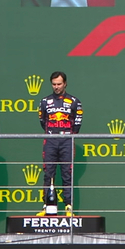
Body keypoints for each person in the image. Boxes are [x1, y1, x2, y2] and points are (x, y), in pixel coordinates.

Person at [37, 71, 82, 216]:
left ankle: (68, 206)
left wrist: (69, 135)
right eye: (54, 84)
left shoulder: (74, 101)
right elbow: (42, 121)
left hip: (67, 140)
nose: (56, 87)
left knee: (67, 173)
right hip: (50, 140)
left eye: (59, 84)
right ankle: (46, 206)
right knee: (48, 173)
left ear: (65, 84)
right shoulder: (45, 101)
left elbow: (77, 123)